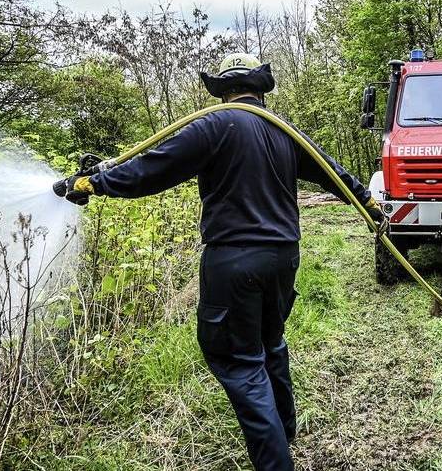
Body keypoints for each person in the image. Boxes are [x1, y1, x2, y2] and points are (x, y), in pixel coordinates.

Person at [54, 53, 385, 470]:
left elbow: (152, 169)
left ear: (224, 90)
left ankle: (275, 462)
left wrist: (91, 182)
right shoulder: (285, 132)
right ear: (259, 88)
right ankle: (284, 432)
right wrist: (369, 202)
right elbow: (333, 173)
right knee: (269, 346)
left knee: (240, 364)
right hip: (283, 258)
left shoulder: (214, 124)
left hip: (233, 263)